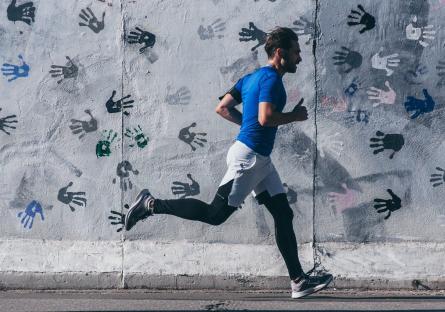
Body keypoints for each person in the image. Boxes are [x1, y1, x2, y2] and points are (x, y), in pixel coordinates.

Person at [124, 27, 333, 299]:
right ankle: (150, 205)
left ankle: (298, 281)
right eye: (296, 53)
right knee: (215, 215)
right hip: (249, 160)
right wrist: (294, 116)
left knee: (283, 213)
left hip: (260, 160)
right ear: (280, 53)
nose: (300, 59)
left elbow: (222, 107)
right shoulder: (271, 80)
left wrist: (248, 125)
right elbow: (265, 119)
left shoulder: (250, 78)